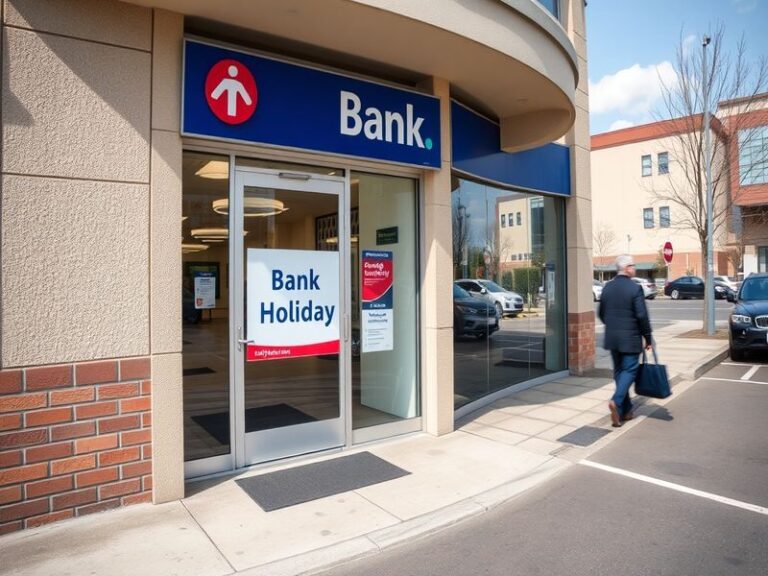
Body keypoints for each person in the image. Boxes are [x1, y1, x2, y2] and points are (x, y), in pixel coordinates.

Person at [598, 255, 653, 427]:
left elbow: (601, 313)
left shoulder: (607, 287)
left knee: (619, 372)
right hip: (630, 339)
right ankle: (616, 401)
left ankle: (626, 411)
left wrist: (613, 326)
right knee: (629, 371)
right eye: (633, 266)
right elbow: (642, 316)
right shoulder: (634, 288)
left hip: (613, 338)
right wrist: (648, 337)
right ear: (627, 268)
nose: (635, 268)